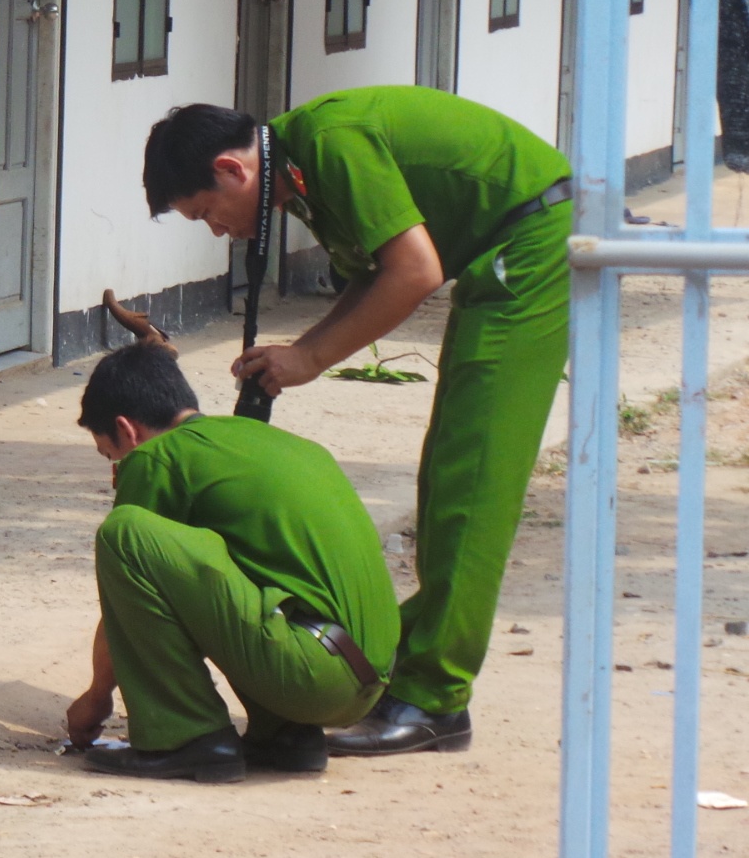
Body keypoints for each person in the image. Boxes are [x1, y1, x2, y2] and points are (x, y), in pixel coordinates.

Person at [139, 85, 572, 755]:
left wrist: (310, 355)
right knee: (446, 470)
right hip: (498, 249)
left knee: (474, 479)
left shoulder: (329, 142)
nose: (218, 231)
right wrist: (297, 354)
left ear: (233, 170)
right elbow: (372, 277)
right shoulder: (296, 164)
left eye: (207, 213)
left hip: (530, 239)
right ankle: (417, 669)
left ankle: (435, 699)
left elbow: (414, 270)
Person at [65, 342, 397, 781]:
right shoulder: (277, 443)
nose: (117, 468)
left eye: (110, 455)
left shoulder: (156, 457)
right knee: (242, 567)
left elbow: (129, 595)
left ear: (126, 430)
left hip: (311, 676)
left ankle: (186, 738)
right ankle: (285, 736)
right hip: (370, 680)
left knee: (124, 534)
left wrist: (96, 696)